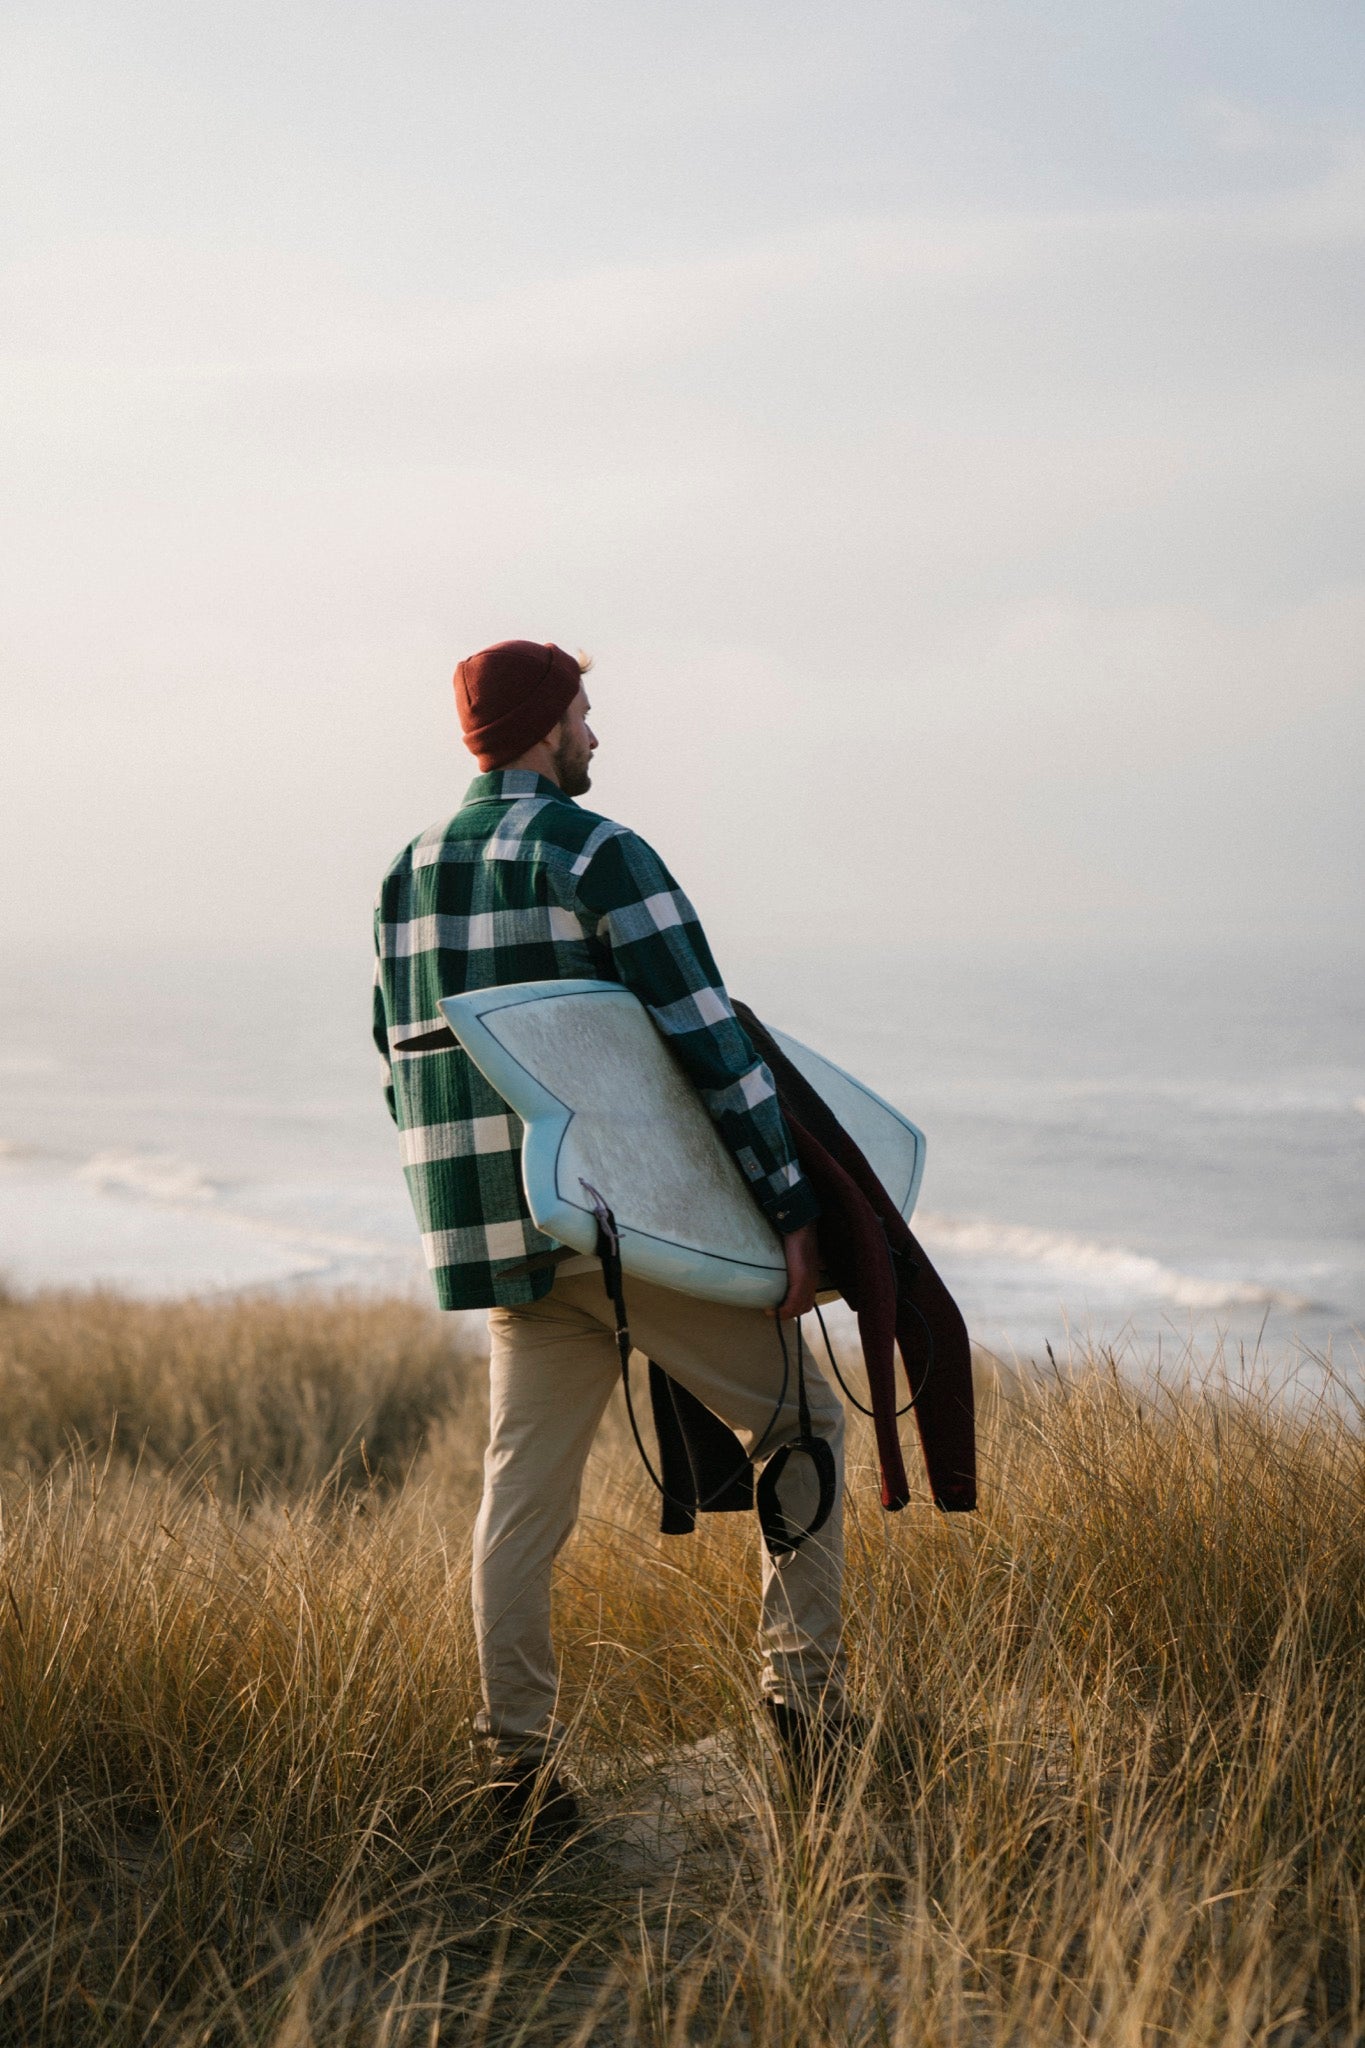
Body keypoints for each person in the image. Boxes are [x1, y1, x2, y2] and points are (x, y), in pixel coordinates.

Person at [373, 639, 847, 1840]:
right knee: (801, 1421)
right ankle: (808, 1712)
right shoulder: (598, 850)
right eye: (584, 711)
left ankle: (515, 1768)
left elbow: (395, 1060)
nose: (596, 733)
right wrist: (790, 1206)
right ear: (544, 726)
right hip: (630, 1226)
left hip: (505, 1238)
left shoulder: (406, 873)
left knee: (519, 1497)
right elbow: (704, 1035)